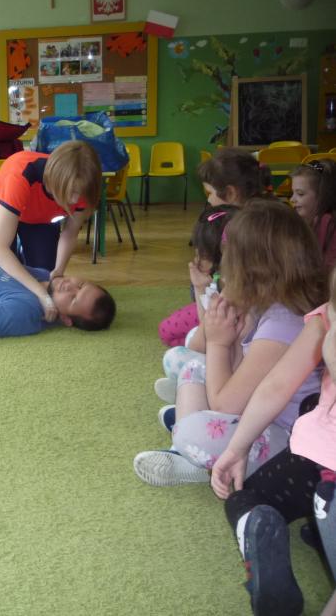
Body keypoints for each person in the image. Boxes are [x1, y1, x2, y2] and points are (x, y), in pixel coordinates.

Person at [133, 200, 327, 486]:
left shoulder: (283, 322)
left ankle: (188, 450)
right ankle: (186, 431)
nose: (223, 269)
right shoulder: (267, 306)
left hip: (286, 439)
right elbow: (233, 373)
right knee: (194, 367)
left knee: (193, 432)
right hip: (252, 412)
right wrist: (229, 336)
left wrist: (219, 343)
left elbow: (226, 404)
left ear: (253, 268)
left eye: (228, 259)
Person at [210, 270, 336, 616]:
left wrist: (236, 448)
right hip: (321, 466)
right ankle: (321, 530)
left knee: (244, 498)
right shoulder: (320, 316)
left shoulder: (323, 317)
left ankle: (313, 528)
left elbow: (276, 385)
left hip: (317, 462)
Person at [157, 147, 272, 349]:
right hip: (249, 308)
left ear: (231, 192)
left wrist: (203, 283)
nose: (208, 199)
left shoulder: (237, 228)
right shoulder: (266, 214)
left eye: (209, 193)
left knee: (168, 332)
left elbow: (228, 290)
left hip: (238, 308)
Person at [0, 141, 101, 322]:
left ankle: (24, 270)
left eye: (79, 192)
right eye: (71, 192)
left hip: (39, 217)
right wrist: (40, 292)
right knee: (0, 277)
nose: (75, 200)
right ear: (55, 181)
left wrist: (58, 270)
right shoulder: (21, 175)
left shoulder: (84, 188)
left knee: (43, 274)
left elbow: (70, 233)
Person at [157, 205, 239, 350]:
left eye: (202, 252)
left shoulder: (237, 287)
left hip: (222, 329)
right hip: (211, 318)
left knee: (174, 336)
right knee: (167, 331)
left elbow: (208, 334)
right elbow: (206, 326)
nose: (197, 257)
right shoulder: (218, 276)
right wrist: (200, 287)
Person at [290, 158, 336, 273]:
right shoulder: (306, 222)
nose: (292, 199)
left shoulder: (328, 222)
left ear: (321, 195)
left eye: (300, 194)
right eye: (292, 193)